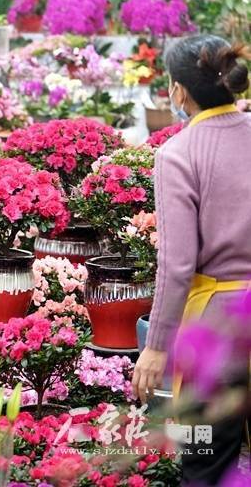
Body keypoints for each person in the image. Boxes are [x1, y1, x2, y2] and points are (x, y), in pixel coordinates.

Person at [132, 35, 251, 486]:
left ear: (178, 91)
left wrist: (156, 347)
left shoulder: (178, 153)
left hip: (218, 326)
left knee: (203, 454)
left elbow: (178, 265)